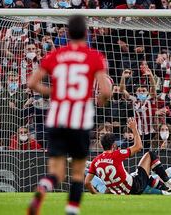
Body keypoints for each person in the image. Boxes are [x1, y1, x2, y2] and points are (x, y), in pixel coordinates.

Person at [26, 15, 112, 215]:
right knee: (77, 171)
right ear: (86, 33)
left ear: (67, 33)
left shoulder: (56, 55)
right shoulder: (94, 56)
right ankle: (71, 210)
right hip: (80, 119)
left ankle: (43, 187)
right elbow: (106, 91)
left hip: (57, 117)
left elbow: (32, 83)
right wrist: (100, 101)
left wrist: (54, 93)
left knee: (55, 171)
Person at [84, 118, 171, 195]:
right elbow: (139, 147)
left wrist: (95, 194)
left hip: (121, 191)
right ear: (114, 145)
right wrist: (134, 128)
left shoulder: (96, 161)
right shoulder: (116, 154)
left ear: (101, 145)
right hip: (134, 187)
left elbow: (87, 183)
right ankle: (168, 182)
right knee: (150, 155)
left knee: (146, 177)